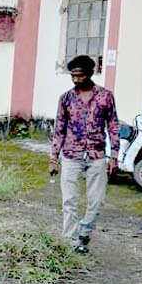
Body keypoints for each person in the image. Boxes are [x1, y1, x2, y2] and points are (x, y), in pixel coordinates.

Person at [49, 55, 119, 254]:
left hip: (96, 156)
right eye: (73, 76)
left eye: (80, 76)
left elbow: (113, 126)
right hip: (71, 155)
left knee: (96, 201)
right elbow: (59, 129)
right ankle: (70, 243)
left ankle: (84, 232)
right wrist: (53, 158)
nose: (76, 79)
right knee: (69, 201)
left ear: (90, 74)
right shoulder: (66, 98)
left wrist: (114, 155)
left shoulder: (105, 96)